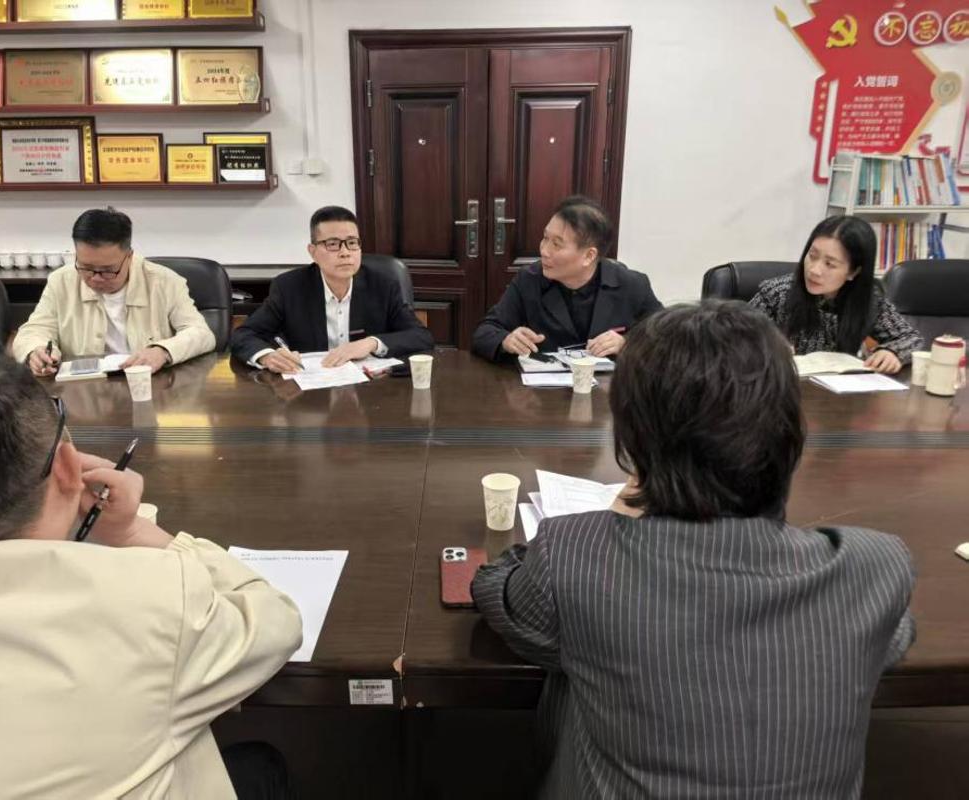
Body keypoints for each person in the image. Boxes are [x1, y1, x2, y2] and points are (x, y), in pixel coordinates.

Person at [472, 301, 915, 799]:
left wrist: (607, 521)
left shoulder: (576, 554)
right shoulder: (875, 568)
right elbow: (889, 636)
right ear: (790, 430)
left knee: (571, 672)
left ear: (635, 438)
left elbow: (497, 592)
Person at [0, 326, 302, 799]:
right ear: (68, 468)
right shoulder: (149, 600)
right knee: (260, 766)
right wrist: (133, 534)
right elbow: (275, 622)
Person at [13, 207, 216, 376]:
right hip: (84, 390)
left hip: (148, 384)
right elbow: (34, 331)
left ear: (130, 256)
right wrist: (36, 351)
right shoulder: (61, 281)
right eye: (86, 267)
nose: (96, 278)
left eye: (108, 270)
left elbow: (201, 334)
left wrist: (163, 351)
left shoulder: (164, 282)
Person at [230, 205, 434, 373]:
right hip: (310, 393)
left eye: (352, 243)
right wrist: (267, 356)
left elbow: (421, 336)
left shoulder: (383, 285)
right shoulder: (289, 287)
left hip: (370, 392)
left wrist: (371, 343)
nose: (345, 252)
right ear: (313, 252)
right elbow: (243, 335)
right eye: (333, 244)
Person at [471, 195, 662, 362]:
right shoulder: (529, 280)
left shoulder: (632, 285)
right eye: (545, 238)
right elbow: (484, 332)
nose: (544, 251)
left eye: (556, 244)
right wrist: (506, 341)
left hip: (608, 389)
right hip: (541, 389)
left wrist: (626, 344)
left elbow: (666, 341)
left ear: (589, 256)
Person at [750, 215, 923, 373]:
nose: (814, 270)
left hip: (842, 391)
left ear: (853, 272)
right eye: (812, 256)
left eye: (830, 264)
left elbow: (910, 338)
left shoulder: (870, 300)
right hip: (783, 386)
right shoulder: (777, 293)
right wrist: (766, 347)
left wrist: (893, 352)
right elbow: (738, 336)